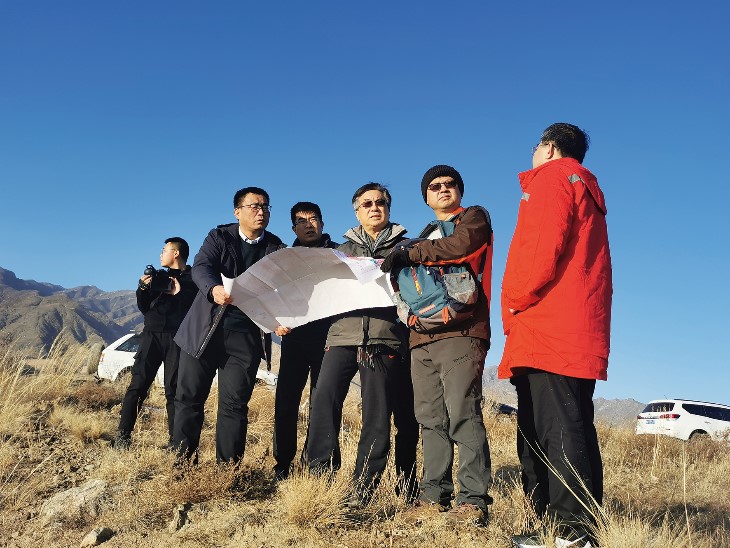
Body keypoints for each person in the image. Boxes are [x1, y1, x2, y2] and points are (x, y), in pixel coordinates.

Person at [499, 124, 611, 548]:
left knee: (555, 428)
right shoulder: (585, 187)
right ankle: (560, 527)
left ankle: (572, 532)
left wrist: (513, 300)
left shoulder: (552, 178)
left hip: (547, 326)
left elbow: (538, 248)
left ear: (548, 147)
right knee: (568, 423)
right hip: (574, 327)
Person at [381, 165, 494, 525]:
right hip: (421, 338)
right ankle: (433, 496)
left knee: (464, 413)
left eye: (450, 183)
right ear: (426, 197)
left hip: (463, 332)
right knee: (430, 419)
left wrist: (410, 253)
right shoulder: (426, 235)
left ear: (459, 190)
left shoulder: (472, 218)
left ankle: (473, 500)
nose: (443, 188)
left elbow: (461, 247)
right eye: (434, 186)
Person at [306, 183, 419, 503]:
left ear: (388, 208)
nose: (374, 208)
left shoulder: (407, 247)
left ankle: (364, 486)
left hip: (385, 337)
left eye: (380, 202)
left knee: (377, 414)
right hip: (341, 335)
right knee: (323, 402)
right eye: (367, 204)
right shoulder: (340, 251)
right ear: (357, 212)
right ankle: (319, 479)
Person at [172, 187, 285, 464]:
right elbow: (201, 267)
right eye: (255, 206)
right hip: (205, 330)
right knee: (189, 398)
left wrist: (281, 318)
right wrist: (213, 289)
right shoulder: (219, 237)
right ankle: (182, 464)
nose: (261, 211)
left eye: (266, 206)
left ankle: (228, 470)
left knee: (234, 405)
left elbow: (283, 290)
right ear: (237, 212)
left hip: (246, 336)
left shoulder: (276, 248)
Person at [272, 202, 339, 481]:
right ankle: (282, 464)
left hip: (330, 338)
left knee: (324, 404)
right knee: (286, 402)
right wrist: (275, 320)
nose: (308, 225)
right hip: (294, 337)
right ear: (293, 228)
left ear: (322, 223)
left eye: (313, 219)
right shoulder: (284, 259)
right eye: (301, 221)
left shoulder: (339, 253)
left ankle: (319, 467)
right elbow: (272, 292)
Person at [114, 238, 197, 450]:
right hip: (151, 336)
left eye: (164, 250)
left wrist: (179, 293)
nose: (161, 254)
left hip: (177, 338)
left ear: (176, 253)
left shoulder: (193, 279)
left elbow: (194, 308)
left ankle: (175, 442)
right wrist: (142, 289)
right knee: (138, 385)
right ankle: (123, 436)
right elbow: (145, 308)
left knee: (174, 390)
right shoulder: (158, 277)